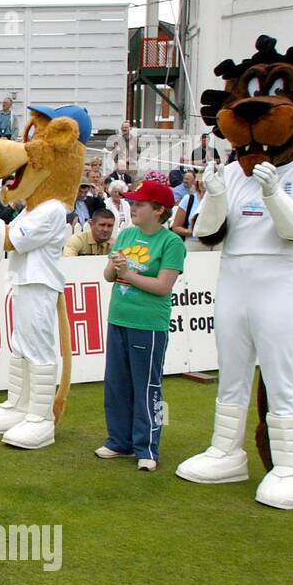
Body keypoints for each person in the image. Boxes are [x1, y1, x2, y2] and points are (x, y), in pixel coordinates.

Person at [97, 179, 186, 471]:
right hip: (118, 318)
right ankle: (118, 441)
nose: (133, 208)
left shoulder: (171, 242)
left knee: (147, 386)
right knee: (116, 383)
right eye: (133, 203)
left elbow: (163, 286)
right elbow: (109, 276)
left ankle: (147, 446)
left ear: (159, 210)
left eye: (139, 204)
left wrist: (128, 273)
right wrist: (115, 264)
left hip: (148, 323)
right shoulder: (126, 234)